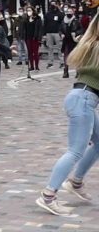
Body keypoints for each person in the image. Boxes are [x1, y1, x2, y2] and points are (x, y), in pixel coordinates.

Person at [35, 13, 99, 216]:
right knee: (75, 151)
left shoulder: (90, 43)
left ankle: (76, 181)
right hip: (84, 100)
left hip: (80, 97)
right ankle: (48, 195)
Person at [61, 8, 83, 79]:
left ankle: (78, 72)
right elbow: (60, 29)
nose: (69, 13)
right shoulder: (63, 21)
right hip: (66, 41)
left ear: (73, 12)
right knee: (66, 57)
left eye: (70, 11)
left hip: (74, 41)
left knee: (76, 57)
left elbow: (81, 29)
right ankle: (65, 72)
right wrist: (61, 34)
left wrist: (76, 33)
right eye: (68, 11)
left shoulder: (76, 21)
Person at [44, 2, 65, 69]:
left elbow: (63, 23)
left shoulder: (60, 14)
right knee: (50, 48)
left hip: (57, 33)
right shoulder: (47, 14)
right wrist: (44, 34)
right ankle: (50, 63)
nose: (53, 6)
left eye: (54, 4)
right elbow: (45, 24)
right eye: (52, 4)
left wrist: (62, 32)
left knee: (59, 48)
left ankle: (62, 62)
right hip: (49, 33)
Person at [24, 6, 44, 71]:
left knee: (35, 53)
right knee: (30, 52)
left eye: (29, 10)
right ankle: (31, 66)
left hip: (35, 38)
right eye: (27, 11)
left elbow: (40, 29)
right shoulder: (26, 19)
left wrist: (39, 38)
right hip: (28, 38)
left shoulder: (38, 18)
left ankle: (37, 66)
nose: (28, 12)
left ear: (33, 11)